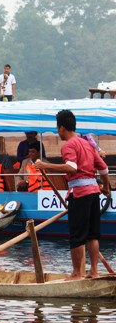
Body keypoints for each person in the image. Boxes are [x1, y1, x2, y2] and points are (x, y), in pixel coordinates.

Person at [35, 110, 110, 280]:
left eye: (57, 128)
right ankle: (94, 271)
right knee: (92, 235)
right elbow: (103, 168)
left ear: (62, 128)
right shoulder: (87, 144)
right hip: (93, 194)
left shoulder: (69, 145)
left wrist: (45, 165)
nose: (57, 131)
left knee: (77, 235)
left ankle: (77, 273)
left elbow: (71, 167)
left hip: (80, 194)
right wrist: (106, 187)